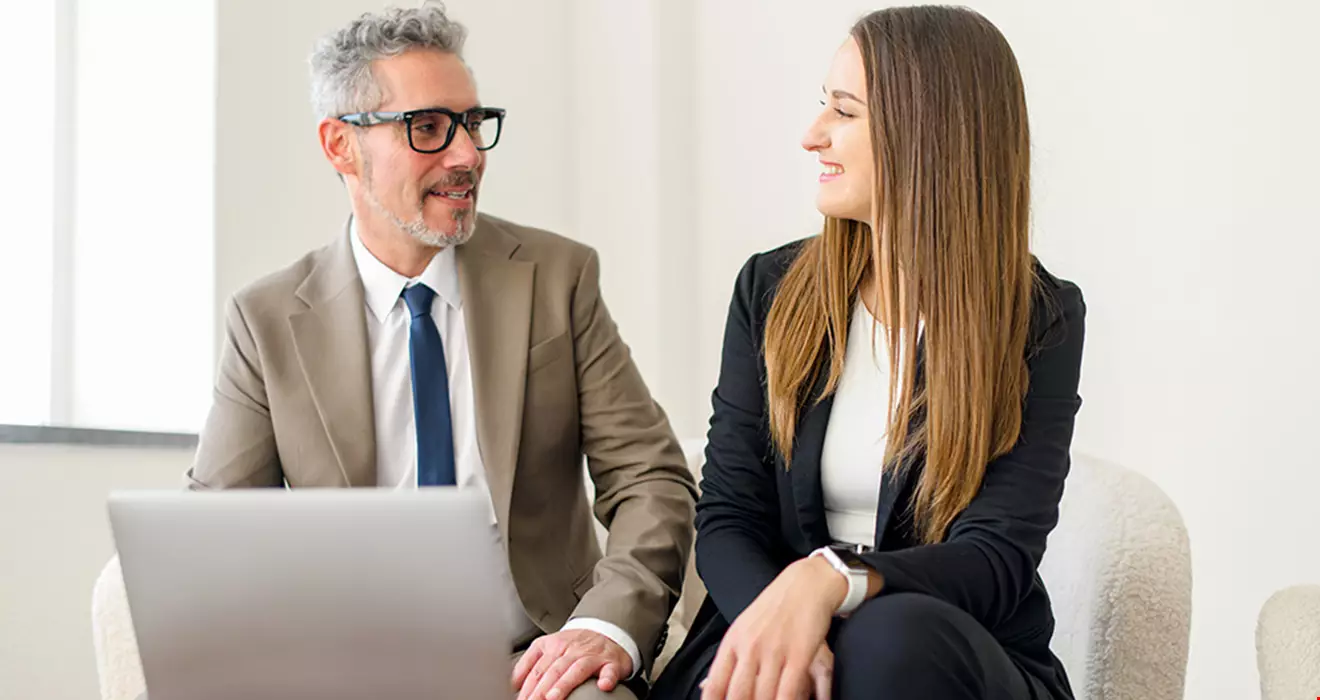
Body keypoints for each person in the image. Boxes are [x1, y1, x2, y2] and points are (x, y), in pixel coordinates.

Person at [185, 4, 697, 699]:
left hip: (537, 663)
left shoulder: (556, 278)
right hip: (355, 671)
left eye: (472, 124)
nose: (467, 156)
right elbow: (217, 536)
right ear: (341, 146)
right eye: (428, 128)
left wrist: (602, 627)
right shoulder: (268, 319)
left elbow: (650, 479)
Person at [652, 6, 1085, 700]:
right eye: (822, 105)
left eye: (843, 112)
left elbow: (995, 557)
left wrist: (833, 579)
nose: (812, 135)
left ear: (928, 133)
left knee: (892, 641)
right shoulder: (769, 290)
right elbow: (730, 517)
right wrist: (791, 626)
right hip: (770, 631)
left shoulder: (1038, 316)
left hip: (947, 653)